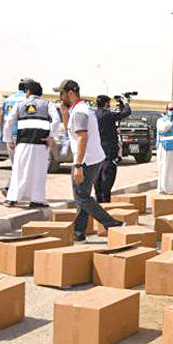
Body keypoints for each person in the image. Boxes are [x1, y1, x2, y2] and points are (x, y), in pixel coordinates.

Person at [56, 80, 123, 242]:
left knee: (81, 196)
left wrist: (78, 165)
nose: (60, 97)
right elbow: (71, 130)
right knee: (82, 196)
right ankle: (79, 233)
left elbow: (82, 137)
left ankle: (111, 223)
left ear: (70, 93)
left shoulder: (80, 112)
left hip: (86, 160)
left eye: (61, 93)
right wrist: (64, 113)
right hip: (91, 158)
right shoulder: (79, 109)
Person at [3, 80, 60, 208]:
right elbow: (56, 120)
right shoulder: (48, 104)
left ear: (28, 91)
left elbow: (9, 122)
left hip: (23, 143)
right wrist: (51, 136)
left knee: (19, 171)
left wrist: (9, 140)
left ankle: (11, 199)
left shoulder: (20, 105)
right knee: (39, 172)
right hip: (41, 143)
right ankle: (36, 200)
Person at [93, 94, 131, 203]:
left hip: (97, 151)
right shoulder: (107, 115)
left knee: (97, 179)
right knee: (107, 180)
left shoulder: (94, 114)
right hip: (108, 152)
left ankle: (99, 203)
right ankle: (106, 204)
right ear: (106, 104)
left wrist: (120, 105)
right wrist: (126, 103)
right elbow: (126, 113)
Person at [0, 79, 28, 196]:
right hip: (21, 136)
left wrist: (3, 133)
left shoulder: (8, 99)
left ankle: (13, 189)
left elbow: (2, 116)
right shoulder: (26, 99)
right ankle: (10, 189)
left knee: (16, 164)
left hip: (9, 135)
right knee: (21, 165)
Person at [156, 103, 173, 195]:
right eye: (170, 109)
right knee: (164, 167)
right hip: (164, 147)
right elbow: (163, 129)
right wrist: (170, 121)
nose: (172, 111)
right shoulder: (161, 120)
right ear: (166, 110)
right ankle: (163, 188)